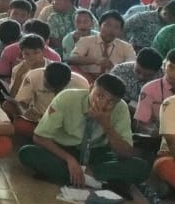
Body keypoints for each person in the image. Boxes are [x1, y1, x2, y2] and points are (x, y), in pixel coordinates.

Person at [18, 74, 150, 188]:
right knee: (27, 152)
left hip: (97, 154)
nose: (103, 104)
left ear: (118, 101)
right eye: (99, 95)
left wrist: (107, 126)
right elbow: (39, 137)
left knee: (140, 167)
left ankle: (79, 177)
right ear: (91, 87)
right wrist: (70, 159)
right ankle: (100, 182)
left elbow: (126, 153)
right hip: (65, 150)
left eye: (111, 102)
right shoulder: (67, 98)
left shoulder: (121, 109)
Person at [8, 60, 89, 138]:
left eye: (57, 89)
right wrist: (26, 111)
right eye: (48, 87)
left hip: (66, 122)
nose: (53, 92)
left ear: (69, 81)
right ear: (43, 74)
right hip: (39, 118)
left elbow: (83, 112)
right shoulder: (33, 76)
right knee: (20, 125)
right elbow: (21, 101)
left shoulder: (81, 84)